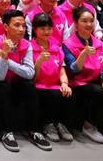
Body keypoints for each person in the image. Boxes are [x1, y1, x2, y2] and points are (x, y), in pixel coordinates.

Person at [0, 10, 51, 152]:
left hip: (16, 83)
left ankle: (34, 130)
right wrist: (5, 54)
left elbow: (30, 73)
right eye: (16, 25)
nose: (21, 29)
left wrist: (6, 59)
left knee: (29, 85)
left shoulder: (26, 45)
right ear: (6, 27)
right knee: (2, 85)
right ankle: (7, 132)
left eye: (23, 26)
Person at [62, 6, 103, 143]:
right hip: (78, 82)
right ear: (76, 24)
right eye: (84, 21)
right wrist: (83, 54)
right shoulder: (67, 44)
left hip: (96, 79)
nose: (89, 24)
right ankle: (88, 126)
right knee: (96, 91)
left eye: (91, 21)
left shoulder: (100, 44)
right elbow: (73, 69)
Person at [30, 13, 74, 142]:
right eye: (42, 28)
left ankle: (60, 124)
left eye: (49, 28)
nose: (46, 32)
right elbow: (32, 77)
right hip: (38, 84)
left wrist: (64, 83)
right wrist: (39, 61)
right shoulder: (29, 47)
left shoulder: (57, 47)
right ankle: (48, 124)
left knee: (68, 92)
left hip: (54, 85)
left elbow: (62, 70)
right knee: (53, 95)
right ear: (34, 29)